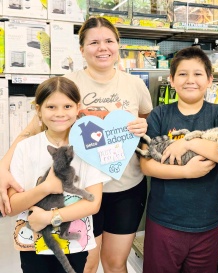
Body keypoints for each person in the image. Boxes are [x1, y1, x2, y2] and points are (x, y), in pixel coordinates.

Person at [0, 17, 153, 273]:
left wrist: (143, 129)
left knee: (116, 264)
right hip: (78, 192)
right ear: (81, 49)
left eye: (109, 41)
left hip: (126, 188)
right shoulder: (67, 83)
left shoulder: (135, 84)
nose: (102, 48)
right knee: (87, 264)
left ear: (118, 45)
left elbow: (145, 122)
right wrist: (3, 167)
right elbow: (30, 131)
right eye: (94, 42)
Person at [140, 46, 218, 273]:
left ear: (209, 80)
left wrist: (190, 143)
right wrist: (186, 172)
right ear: (171, 80)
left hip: (206, 225)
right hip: (163, 222)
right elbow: (146, 165)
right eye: (182, 74)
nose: (190, 80)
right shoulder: (160, 114)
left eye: (198, 74)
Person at [6, 76, 111, 273]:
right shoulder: (25, 148)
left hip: (74, 244)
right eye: (51, 107)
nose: (59, 114)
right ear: (38, 109)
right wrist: (46, 187)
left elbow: (93, 203)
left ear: (78, 107)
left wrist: (49, 217)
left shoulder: (89, 146)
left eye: (67, 106)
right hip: (33, 245)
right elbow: (11, 207)